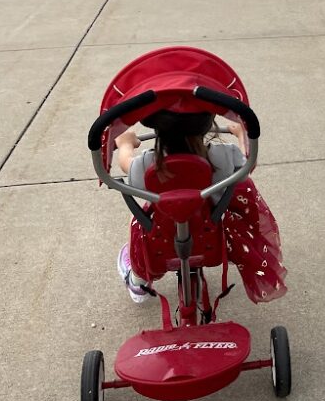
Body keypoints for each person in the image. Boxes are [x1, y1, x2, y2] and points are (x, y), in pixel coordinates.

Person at [114, 109, 286, 304]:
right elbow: (249, 163)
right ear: (209, 123)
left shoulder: (147, 164)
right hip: (211, 238)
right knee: (236, 190)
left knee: (139, 218)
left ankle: (138, 281)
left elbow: (125, 163)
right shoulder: (225, 156)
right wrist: (242, 134)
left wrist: (125, 144)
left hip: (160, 244)